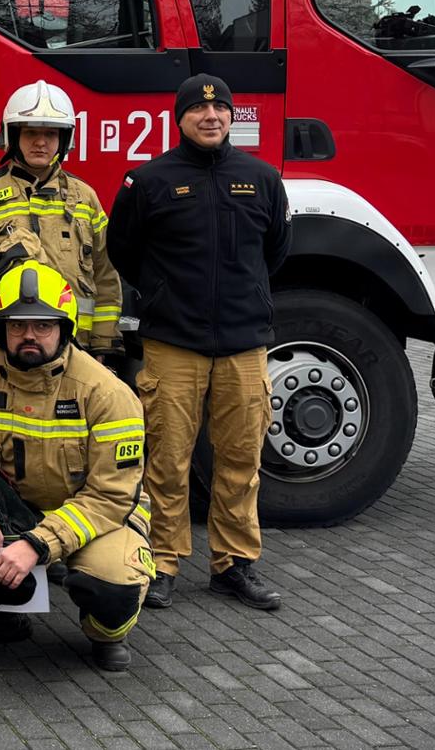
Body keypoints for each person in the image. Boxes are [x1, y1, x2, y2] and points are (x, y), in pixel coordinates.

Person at [0, 261, 154, 671]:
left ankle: (105, 631)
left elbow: (110, 497)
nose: (29, 336)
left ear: (65, 328)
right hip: (7, 506)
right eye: (17, 326)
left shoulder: (109, 394)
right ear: (0, 328)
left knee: (113, 582)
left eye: (43, 326)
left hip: (96, 516)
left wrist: (38, 544)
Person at [106, 74, 290, 612]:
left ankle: (234, 565)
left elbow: (276, 250)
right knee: (167, 459)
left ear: (231, 117)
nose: (211, 118)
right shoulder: (149, 181)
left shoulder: (261, 179)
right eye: (199, 111)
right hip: (175, 344)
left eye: (221, 111)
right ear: (179, 118)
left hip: (243, 344)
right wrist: (163, 292)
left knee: (240, 459)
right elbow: (124, 252)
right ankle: (162, 563)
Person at [0, 80, 125, 379]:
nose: (40, 142)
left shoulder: (85, 197)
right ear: (13, 136)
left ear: (64, 139)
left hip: (74, 345)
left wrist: (104, 342)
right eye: (31, 132)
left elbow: (105, 274)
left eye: (50, 133)